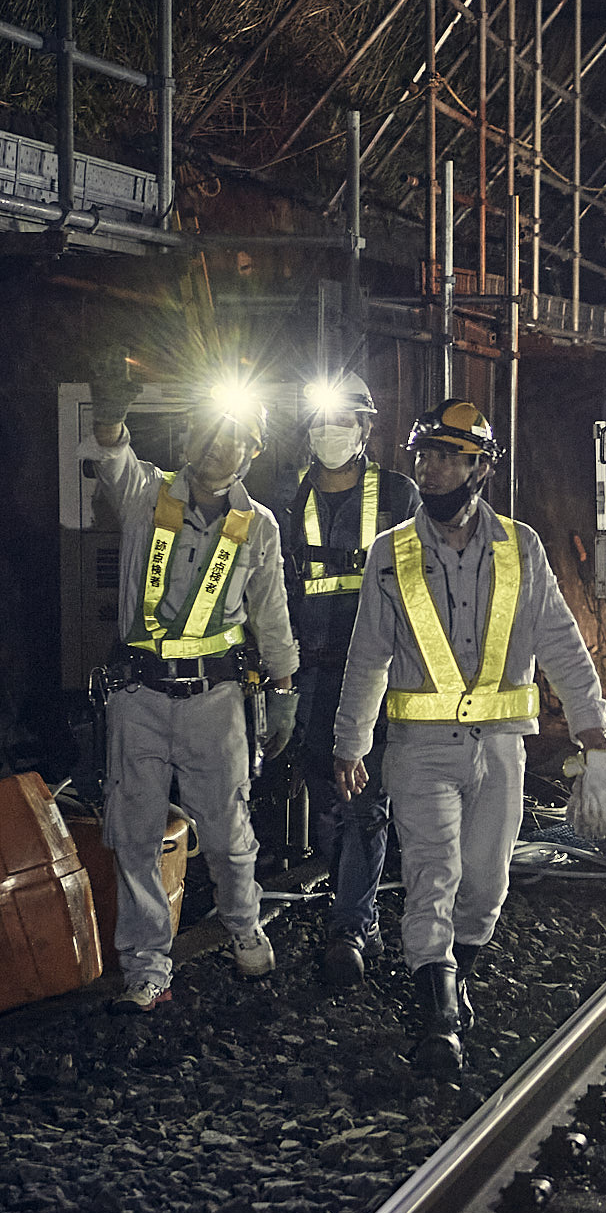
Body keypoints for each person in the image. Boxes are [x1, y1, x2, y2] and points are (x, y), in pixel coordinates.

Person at [332, 400, 606, 1079]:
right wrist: (351, 743)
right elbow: (367, 655)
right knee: (432, 874)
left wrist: (597, 738)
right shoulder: (392, 553)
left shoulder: (520, 547)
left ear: (481, 468)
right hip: (420, 750)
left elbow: (561, 644)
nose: (430, 470)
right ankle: (437, 1017)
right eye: (424, 457)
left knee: (486, 888)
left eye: (446, 457)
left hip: (499, 749)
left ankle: (453, 975)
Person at [86, 357, 301, 1013]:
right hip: (140, 697)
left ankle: (243, 925)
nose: (221, 447)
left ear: (253, 449)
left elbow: (270, 610)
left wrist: (284, 687)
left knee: (229, 830)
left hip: (216, 700)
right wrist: (111, 417)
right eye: (211, 432)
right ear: (188, 438)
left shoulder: (258, 524)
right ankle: (147, 967)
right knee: (137, 833)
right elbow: (113, 453)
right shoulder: (146, 493)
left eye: (236, 436)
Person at [278, 370, 421, 988]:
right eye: (320, 421)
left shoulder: (397, 494)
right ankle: (355, 913)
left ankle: (351, 925)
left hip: (375, 672)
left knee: (363, 800)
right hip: (310, 672)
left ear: (366, 428)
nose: (330, 432)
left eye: (344, 421)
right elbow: (274, 584)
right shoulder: (287, 498)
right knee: (329, 797)